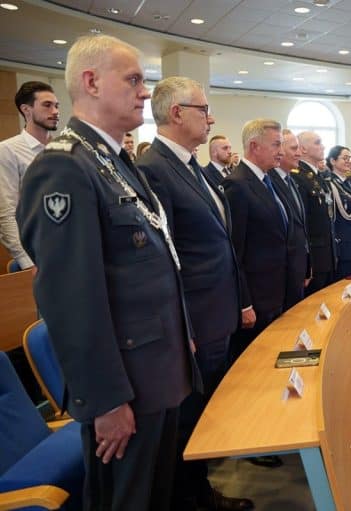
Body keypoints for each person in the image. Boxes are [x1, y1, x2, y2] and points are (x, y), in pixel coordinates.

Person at [16, 34, 202, 510]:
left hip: (157, 372)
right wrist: (104, 401)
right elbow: (69, 299)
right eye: (134, 80)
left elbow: (151, 263)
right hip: (124, 389)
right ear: (92, 81)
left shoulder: (115, 161)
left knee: (157, 496)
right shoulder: (64, 168)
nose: (145, 91)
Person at [136, 77, 252, 511]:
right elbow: (166, 260)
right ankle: (190, 499)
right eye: (203, 109)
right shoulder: (153, 168)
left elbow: (220, 240)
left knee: (201, 415)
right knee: (186, 420)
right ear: (176, 113)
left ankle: (199, 491)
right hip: (193, 318)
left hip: (215, 311)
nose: (212, 117)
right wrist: (182, 325)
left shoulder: (191, 166)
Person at [224, 119, 289, 361]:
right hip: (256, 299)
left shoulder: (266, 180)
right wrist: (244, 303)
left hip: (274, 292)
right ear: (254, 146)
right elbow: (235, 250)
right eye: (276, 144)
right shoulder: (237, 185)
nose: (280, 151)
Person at [0, 81, 59, 273]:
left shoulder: (61, 149)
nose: (55, 111)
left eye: (56, 105)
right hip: (36, 253)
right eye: (47, 105)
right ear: (26, 109)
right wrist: (27, 261)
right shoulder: (8, 150)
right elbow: (6, 212)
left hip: (67, 245)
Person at [270, 129, 311, 309]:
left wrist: (307, 265)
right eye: (294, 148)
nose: (299, 153)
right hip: (280, 276)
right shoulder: (269, 181)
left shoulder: (290, 180)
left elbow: (301, 227)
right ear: (280, 150)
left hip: (297, 269)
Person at [294, 131, 335, 294]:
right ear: (303, 149)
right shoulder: (299, 177)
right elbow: (303, 223)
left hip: (327, 254)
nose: (322, 146)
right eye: (317, 143)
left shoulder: (317, 177)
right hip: (315, 257)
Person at [326, 145, 351, 278]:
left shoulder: (349, 183)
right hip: (342, 247)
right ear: (333, 161)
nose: (349, 161)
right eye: (345, 158)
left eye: (350, 158)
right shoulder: (329, 184)